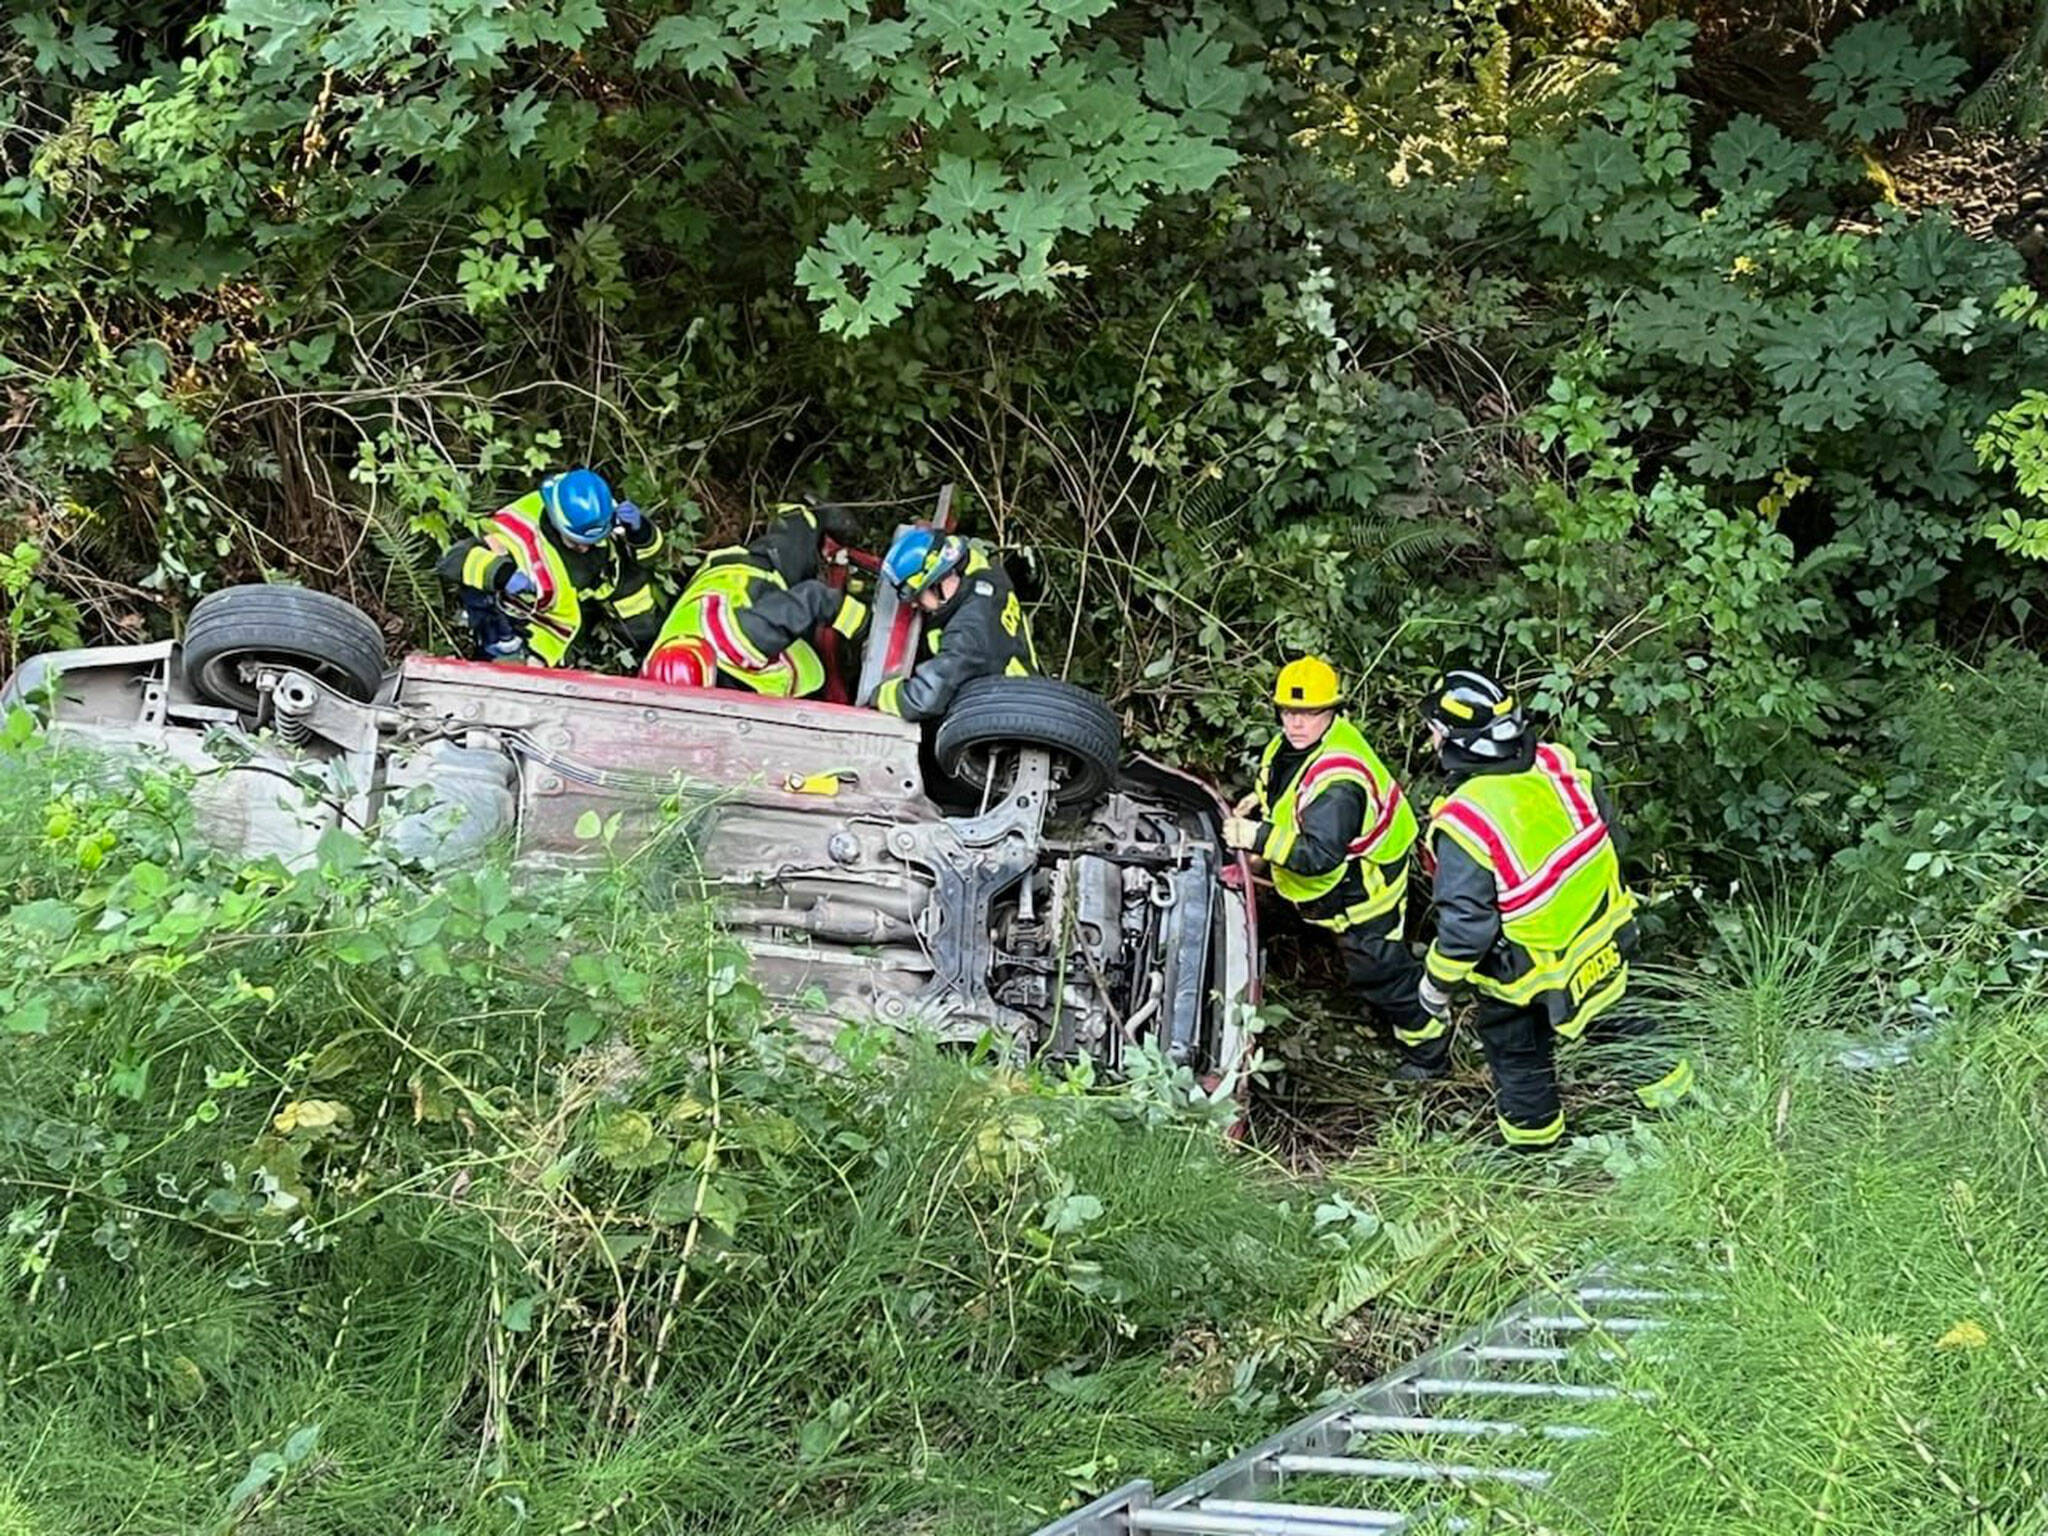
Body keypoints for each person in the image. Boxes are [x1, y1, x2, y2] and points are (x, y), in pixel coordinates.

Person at [1416, 668, 1690, 1149]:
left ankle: (1535, 1152)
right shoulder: (1555, 764)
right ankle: (1686, 1111)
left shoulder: (1465, 821)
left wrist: (1435, 988)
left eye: (1434, 730)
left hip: (1529, 966)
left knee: (1517, 1054)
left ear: (1454, 740)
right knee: (1626, 1025)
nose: (1431, 739)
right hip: (1602, 935)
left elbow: (1466, 932)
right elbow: (1608, 832)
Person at [1220, 657, 1445, 1078]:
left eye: (1309, 713)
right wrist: (1260, 804)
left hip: (1363, 896)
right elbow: (1288, 793)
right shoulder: (1295, 744)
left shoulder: (1340, 783)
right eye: (1288, 711)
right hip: (1319, 889)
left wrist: (1257, 838)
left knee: (1383, 975)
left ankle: (1428, 1052)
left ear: (1332, 712)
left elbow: (1319, 855)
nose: (1296, 723)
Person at [437, 469, 664, 667]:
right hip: (536, 623)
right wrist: (501, 574)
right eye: (575, 542)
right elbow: (453, 559)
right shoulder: (516, 530)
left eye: (591, 542)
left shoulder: (605, 515)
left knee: (643, 633)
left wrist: (641, 532)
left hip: (608, 595)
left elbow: (651, 556)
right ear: (556, 522)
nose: (584, 549)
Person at [640, 501, 867, 694]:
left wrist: (862, 626)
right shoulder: (657, 679)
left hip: (741, 576)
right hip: (708, 606)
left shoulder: (744, 638)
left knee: (790, 554)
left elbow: (813, 598)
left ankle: (800, 512)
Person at [872, 527, 1035, 721]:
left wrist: (880, 695)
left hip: (1008, 716)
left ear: (937, 581)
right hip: (1024, 691)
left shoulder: (969, 634)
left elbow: (924, 700)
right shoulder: (985, 573)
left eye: (917, 595)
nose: (914, 604)